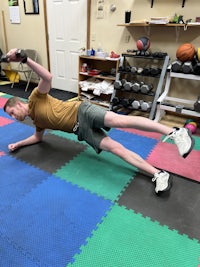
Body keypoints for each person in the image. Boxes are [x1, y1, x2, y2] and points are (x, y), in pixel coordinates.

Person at [3, 48, 195, 195]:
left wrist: (25, 59)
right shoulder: (36, 120)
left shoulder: (36, 96)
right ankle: (158, 174)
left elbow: (47, 77)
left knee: (121, 121)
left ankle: (175, 132)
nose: (13, 117)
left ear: (19, 103)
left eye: (12, 112)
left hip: (83, 111)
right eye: (11, 116)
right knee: (116, 149)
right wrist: (18, 144)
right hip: (82, 131)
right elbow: (38, 138)